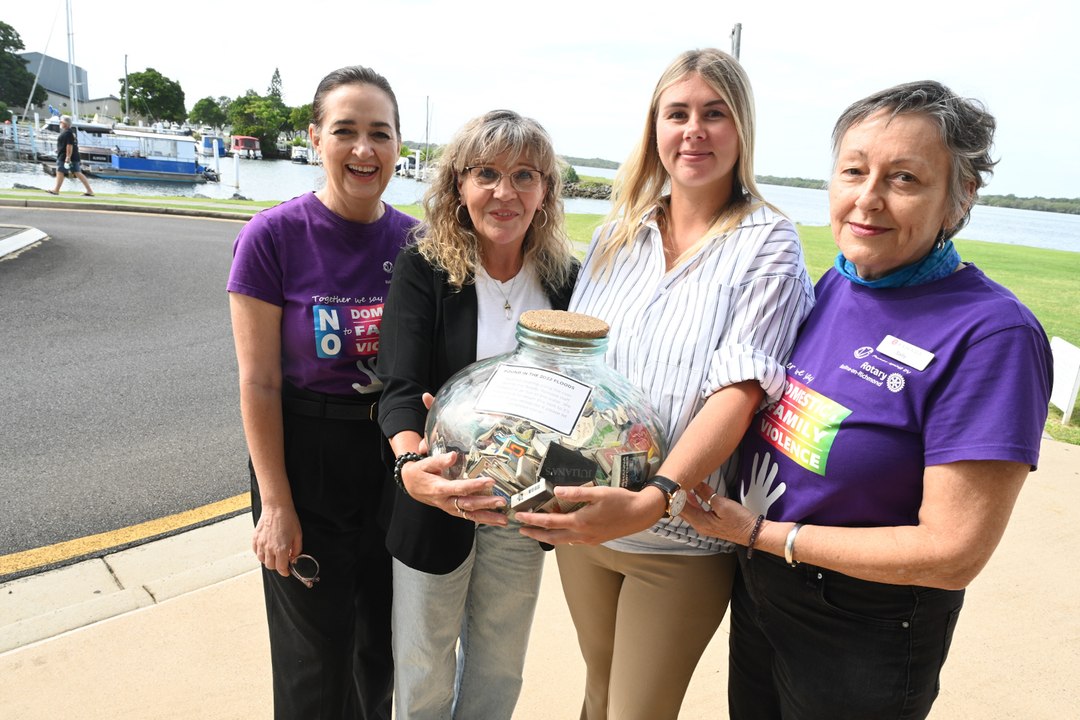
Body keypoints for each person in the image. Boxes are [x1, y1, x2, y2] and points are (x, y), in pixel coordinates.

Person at [680, 80, 1054, 720]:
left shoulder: (992, 335)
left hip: (862, 622)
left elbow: (952, 551)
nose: (868, 199)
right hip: (764, 587)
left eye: (904, 179)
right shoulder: (835, 285)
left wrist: (766, 534)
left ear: (959, 198)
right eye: (853, 171)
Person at [516, 49, 815, 720]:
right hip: (590, 520)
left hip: (680, 535)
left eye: (715, 114)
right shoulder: (617, 232)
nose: (694, 131)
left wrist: (656, 497)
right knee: (597, 695)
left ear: (742, 131)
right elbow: (575, 368)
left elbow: (738, 393)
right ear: (655, 127)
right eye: (677, 113)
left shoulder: (768, 242)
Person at [376, 109, 579, 720]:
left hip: (527, 506)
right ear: (458, 186)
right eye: (486, 174)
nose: (503, 192)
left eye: (524, 175)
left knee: (498, 669)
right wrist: (414, 462)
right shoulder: (426, 269)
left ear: (544, 191)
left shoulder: (565, 280)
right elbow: (401, 387)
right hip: (441, 495)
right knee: (423, 669)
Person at [227, 65, 415, 720]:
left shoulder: (417, 244)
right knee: (315, 659)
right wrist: (274, 505)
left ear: (398, 146)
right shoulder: (271, 238)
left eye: (380, 133)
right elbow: (258, 380)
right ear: (315, 138)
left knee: (380, 653)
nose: (364, 149)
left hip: (394, 459)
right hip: (305, 457)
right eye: (346, 131)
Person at [48, 115, 94, 196]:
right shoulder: (69, 132)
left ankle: (56, 190)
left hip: (66, 156)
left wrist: (68, 157)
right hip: (70, 156)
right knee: (76, 172)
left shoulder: (68, 133)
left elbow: (69, 145)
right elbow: (66, 144)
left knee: (60, 171)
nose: (60, 123)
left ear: (65, 123)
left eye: (61, 122)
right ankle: (89, 190)